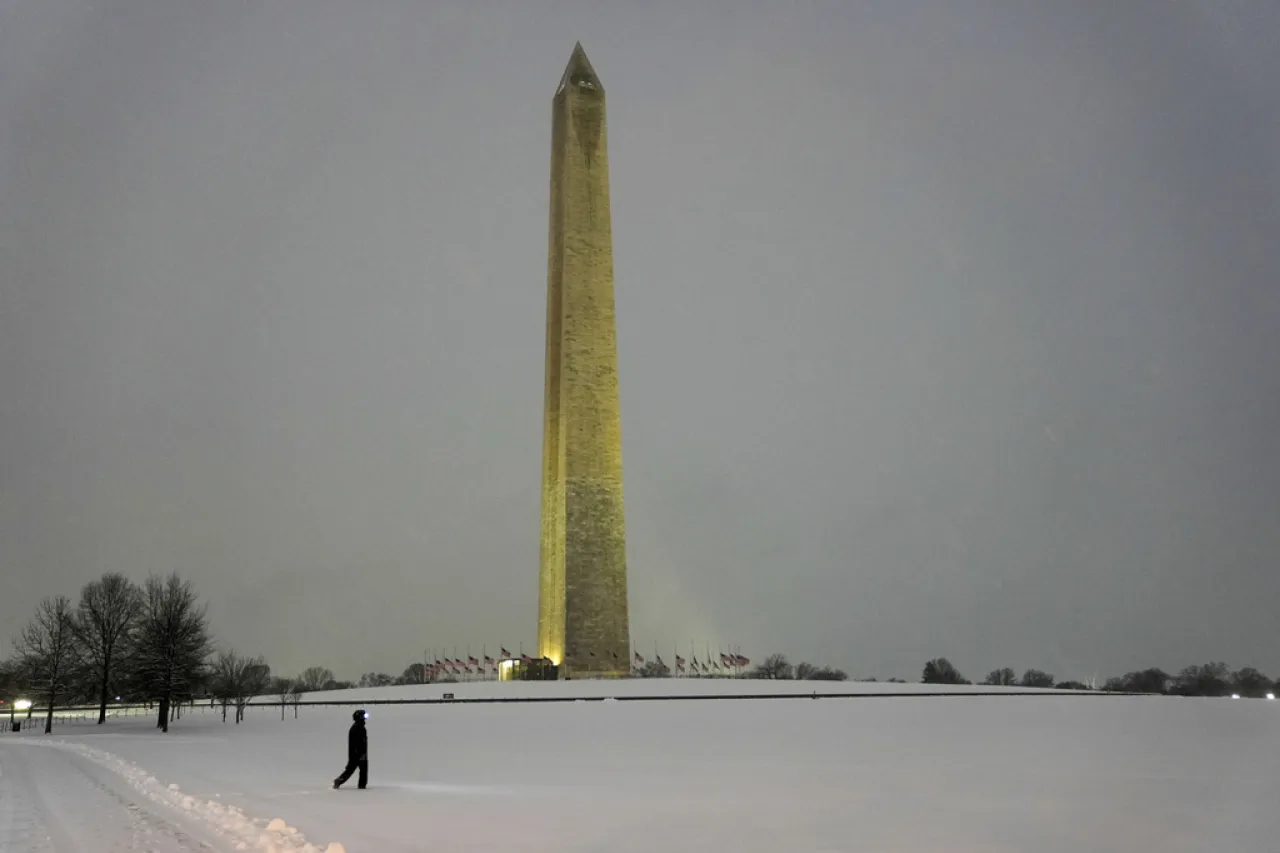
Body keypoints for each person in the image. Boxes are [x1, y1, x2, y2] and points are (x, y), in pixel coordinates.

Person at [333, 709, 368, 789]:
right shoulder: (356, 729)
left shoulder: (361, 728)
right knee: (351, 770)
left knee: (362, 770)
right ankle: (339, 781)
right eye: (363, 716)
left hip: (361, 753)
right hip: (356, 754)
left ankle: (362, 786)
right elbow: (355, 743)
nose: (364, 718)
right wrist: (359, 753)